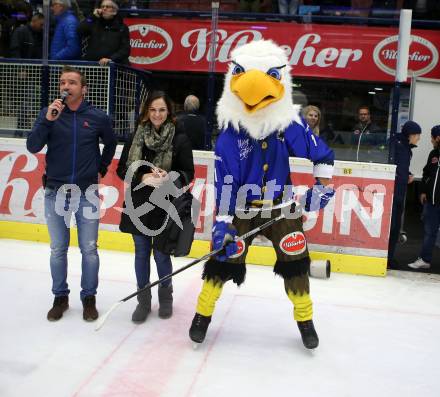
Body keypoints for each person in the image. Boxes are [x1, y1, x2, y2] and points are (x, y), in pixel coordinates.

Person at [188, 40, 335, 350]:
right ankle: (202, 315)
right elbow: (226, 181)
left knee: (296, 264)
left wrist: (322, 188)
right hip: (243, 210)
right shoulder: (230, 135)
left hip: (282, 209)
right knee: (221, 263)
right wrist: (223, 222)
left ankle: (305, 321)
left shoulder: (288, 124)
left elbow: (321, 155)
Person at [26, 66, 117, 321]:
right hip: (56, 191)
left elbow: (110, 143)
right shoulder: (49, 114)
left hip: (87, 192)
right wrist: (48, 120)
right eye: (63, 82)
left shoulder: (97, 117)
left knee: (89, 249)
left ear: (83, 89)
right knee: (58, 249)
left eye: (72, 82)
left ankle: (89, 297)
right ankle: (60, 297)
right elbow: (33, 145)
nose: (66, 86)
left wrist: (101, 166)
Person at [116, 90, 194, 323]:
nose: (157, 114)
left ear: (168, 112)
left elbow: (188, 173)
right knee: (141, 253)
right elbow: (122, 169)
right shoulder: (135, 137)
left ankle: (166, 297)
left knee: (161, 255)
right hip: (139, 206)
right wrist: (142, 178)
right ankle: (143, 300)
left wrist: (169, 178)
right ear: (146, 112)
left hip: (165, 206)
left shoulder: (180, 139)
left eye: (161, 110)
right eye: (152, 110)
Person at [387, 120, 422, 269]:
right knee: (391, 226)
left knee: (395, 227)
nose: (418, 139)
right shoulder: (395, 144)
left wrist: (408, 174)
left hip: (400, 192)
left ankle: (390, 256)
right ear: (411, 134)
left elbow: (401, 167)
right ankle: (386, 257)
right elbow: (391, 165)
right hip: (392, 192)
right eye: (417, 135)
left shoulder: (407, 148)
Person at [407, 125, 440, 270]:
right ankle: (425, 259)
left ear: (437, 138)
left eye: (432, 138)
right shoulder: (433, 154)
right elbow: (426, 174)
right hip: (432, 203)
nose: (431, 140)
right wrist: (423, 191)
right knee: (429, 232)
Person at [78, 0, 130, 65]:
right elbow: (80, 30)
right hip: (93, 66)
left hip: (112, 67)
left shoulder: (122, 27)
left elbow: (125, 50)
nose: (104, 8)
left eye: (108, 7)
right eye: (102, 6)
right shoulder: (94, 22)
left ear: (115, 11)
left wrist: (111, 59)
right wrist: (92, 16)